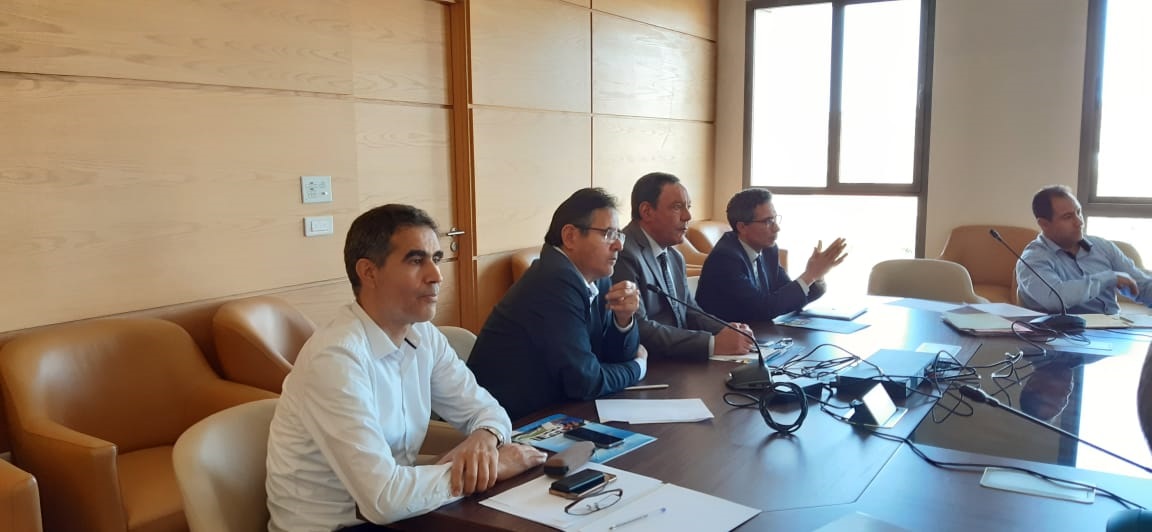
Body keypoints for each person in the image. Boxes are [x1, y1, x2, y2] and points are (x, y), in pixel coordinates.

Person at [266, 204, 545, 531]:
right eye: (416, 261)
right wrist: (493, 468)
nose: (436, 275)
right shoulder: (336, 359)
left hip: (400, 515)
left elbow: (486, 409)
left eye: (436, 258)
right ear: (368, 272)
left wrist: (485, 438)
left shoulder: (423, 334)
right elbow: (383, 499)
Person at [468, 188, 646, 420]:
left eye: (618, 235)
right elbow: (585, 381)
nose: (618, 246)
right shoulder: (552, 283)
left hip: (557, 408)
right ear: (570, 237)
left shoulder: (596, 277)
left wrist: (624, 320)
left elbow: (608, 359)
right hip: (509, 422)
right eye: (608, 234)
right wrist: (638, 368)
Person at [611, 172, 755, 360]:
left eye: (688, 207)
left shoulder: (674, 257)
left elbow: (690, 311)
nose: (687, 216)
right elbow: (639, 328)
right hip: (651, 365)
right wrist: (712, 344)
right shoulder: (623, 253)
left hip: (680, 359)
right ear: (647, 211)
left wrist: (729, 330)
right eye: (677, 207)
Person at [695, 188, 847, 323]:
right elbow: (763, 309)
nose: (776, 228)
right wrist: (809, 275)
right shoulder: (726, 258)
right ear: (742, 227)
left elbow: (787, 299)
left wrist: (817, 275)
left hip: (758, 333)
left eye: (774, 219)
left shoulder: (768, 250)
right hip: (725, 340)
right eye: (768, 221)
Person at [1016, 185, 1152, 314]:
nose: (1079, 222)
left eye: (1078, 212)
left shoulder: (1103, 246)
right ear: (1044, 224)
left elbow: (1141, 286)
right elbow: (1056, 299)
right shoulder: (1032, 259)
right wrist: (1109, 278)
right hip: (1063, 330)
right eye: (1068, 217)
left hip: (1116, 328)